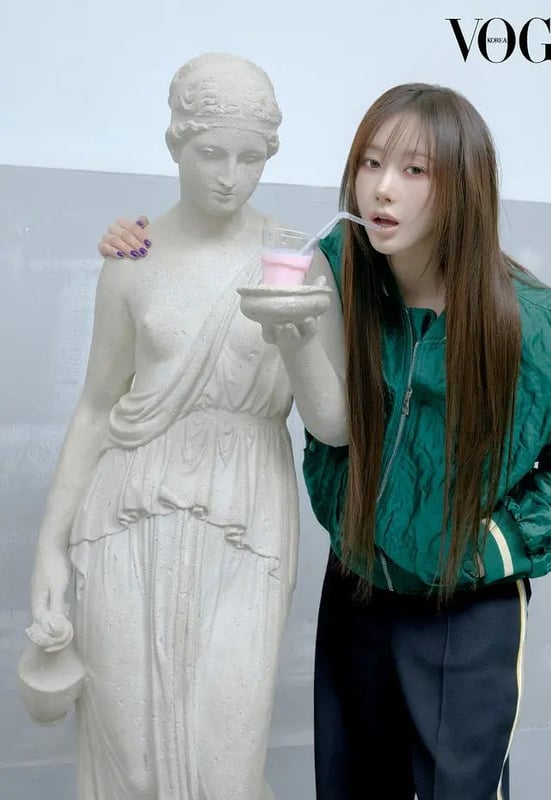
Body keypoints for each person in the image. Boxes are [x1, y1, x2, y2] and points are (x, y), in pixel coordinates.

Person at [98, 82, 551, 800]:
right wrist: (141, 243)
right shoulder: (337, 272)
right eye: (371, 163)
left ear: (463, 185)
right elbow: (232, 258)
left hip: (465, 609)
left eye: (414, 170)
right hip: (357, 592)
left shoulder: (536, 324)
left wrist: (490, 547)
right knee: (351, 786)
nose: (382, 189)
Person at [27, 52, 345, 800]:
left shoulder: (295, 261)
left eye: (250, 158)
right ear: (176, 143)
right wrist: (48, 548)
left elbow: (334, 427)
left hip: (245, 515)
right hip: (126, 510)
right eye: (211, 153)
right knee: (132, 761)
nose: (230, 176)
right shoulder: (133, 256)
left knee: (225, 768)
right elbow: (97, 406)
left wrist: (297, 341)